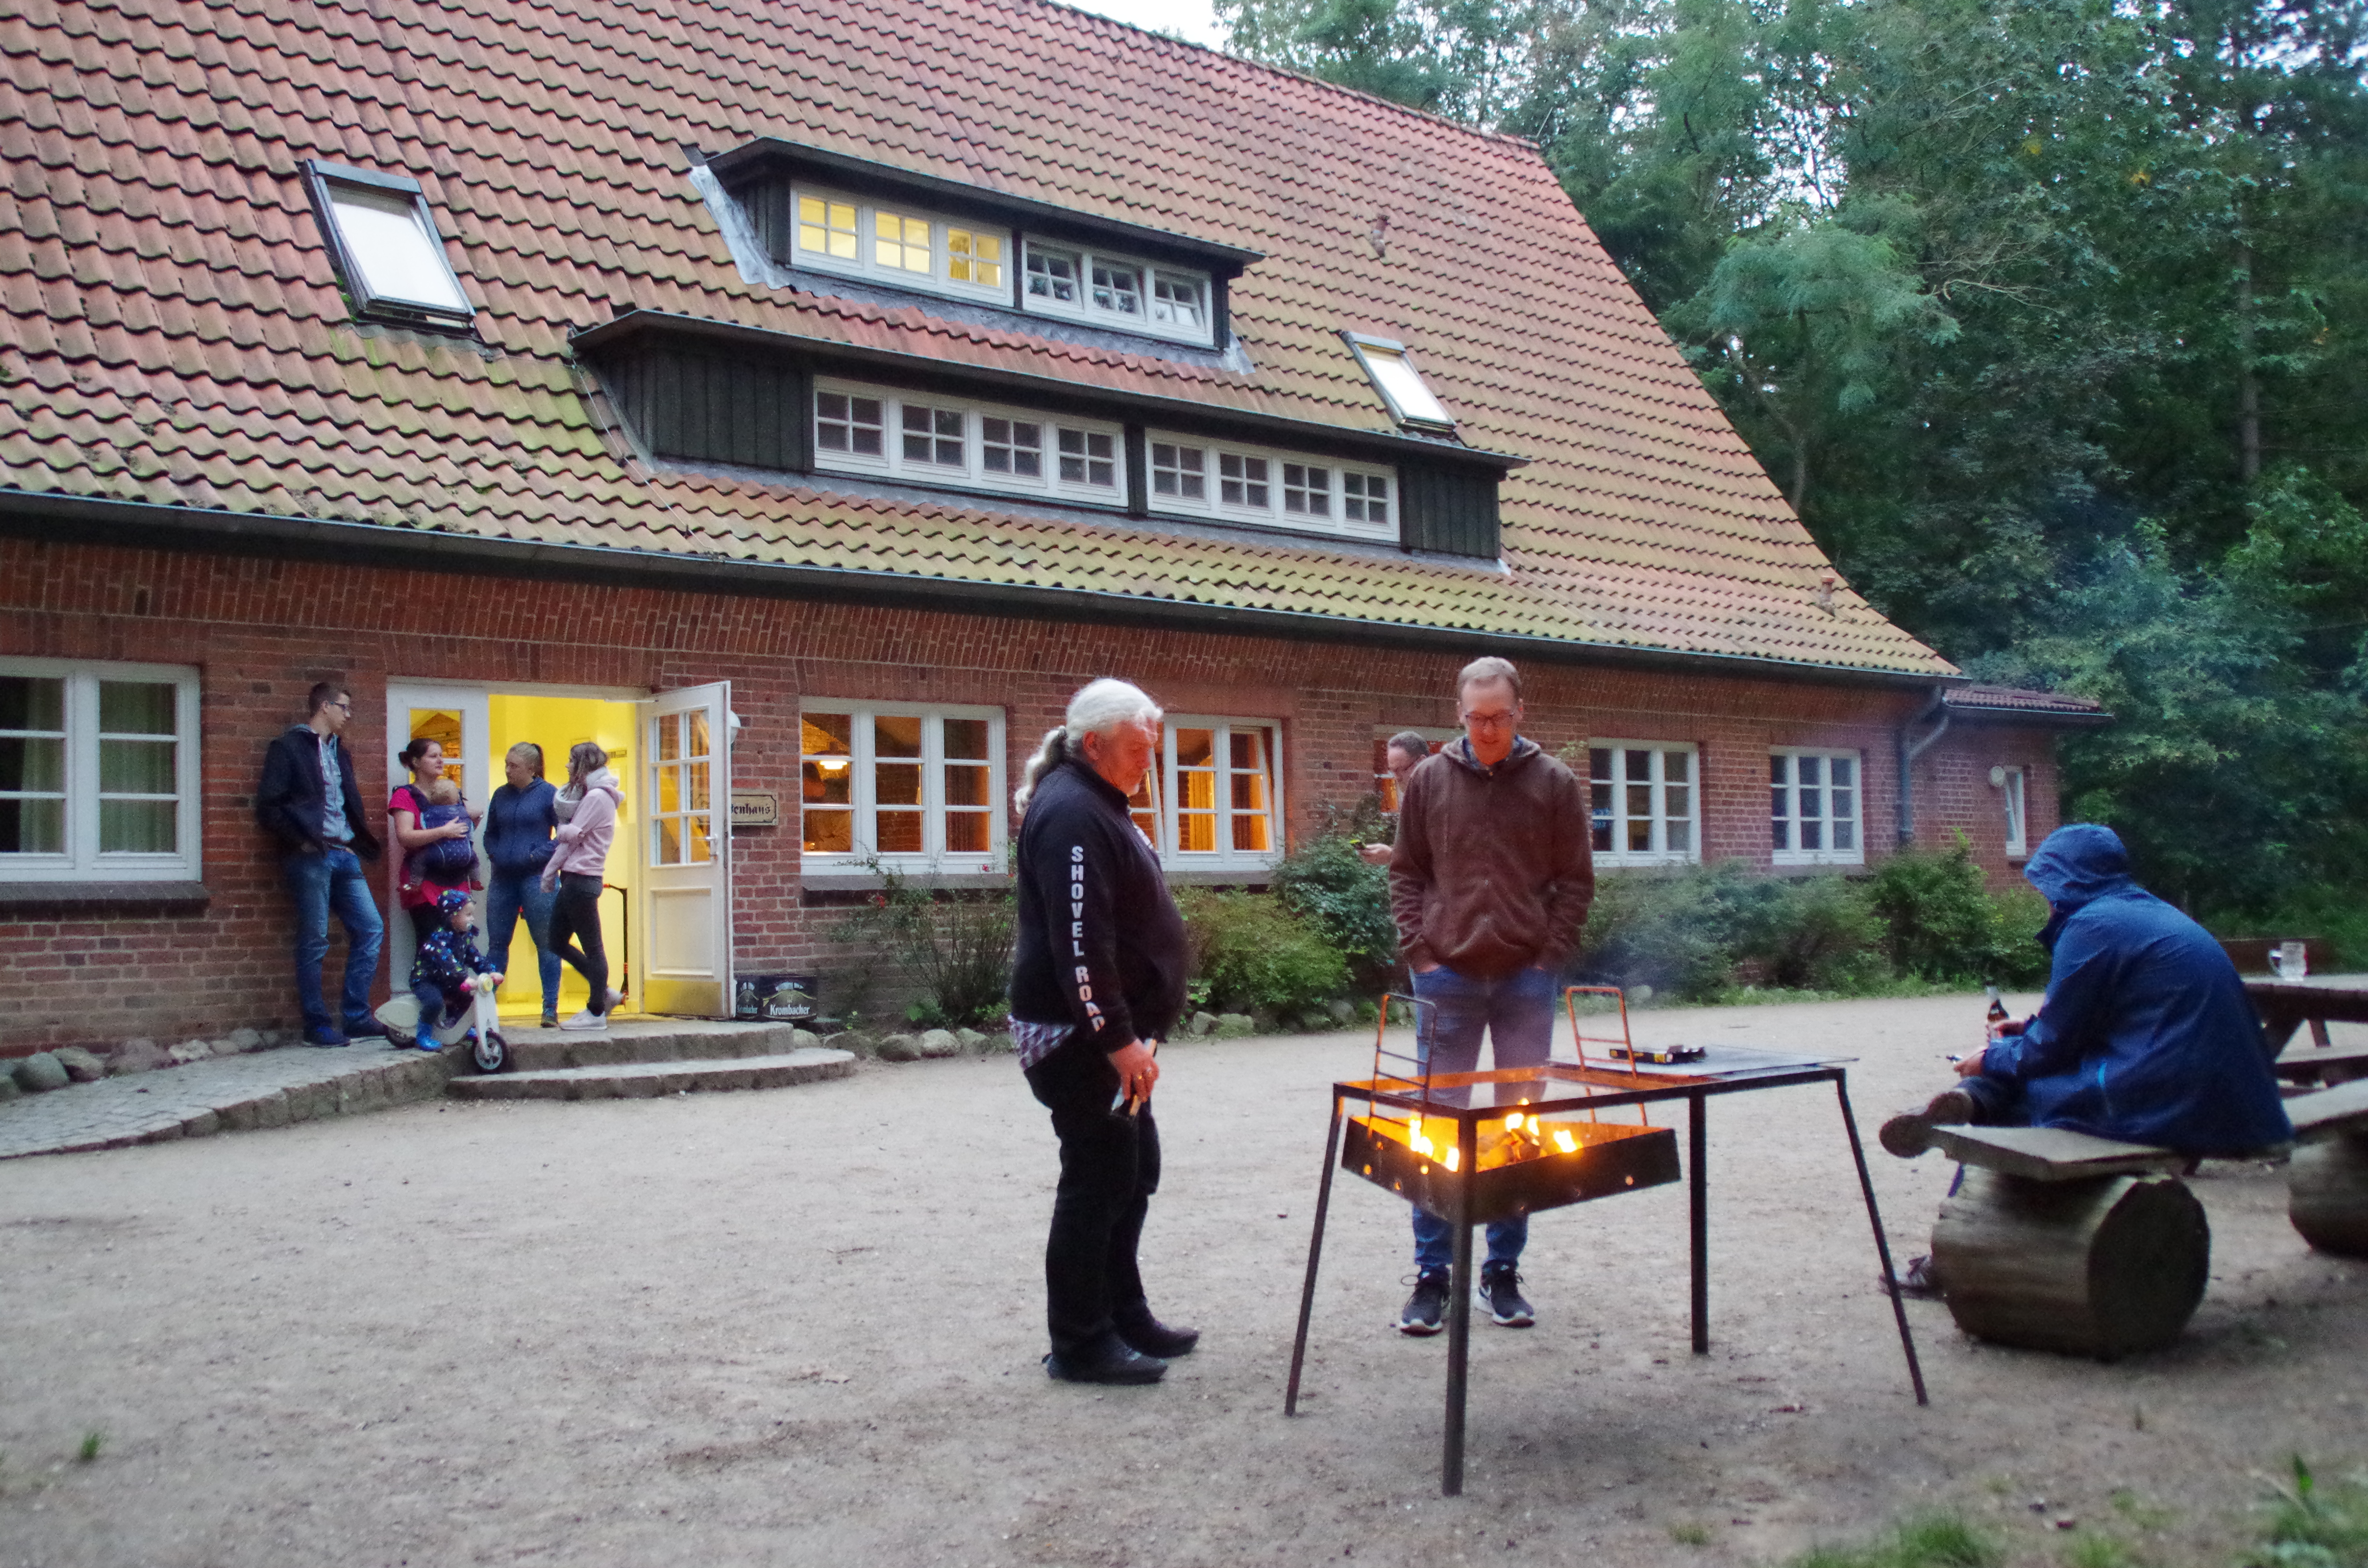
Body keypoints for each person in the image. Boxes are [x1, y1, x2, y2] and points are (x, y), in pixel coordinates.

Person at [1387, 656, 1594, 1335]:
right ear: (1459, 715)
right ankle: (1431, 1275)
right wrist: (1419, 953)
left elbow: (1575, 880)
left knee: (1519, 1127)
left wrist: (1547, 959)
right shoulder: (1428, 781)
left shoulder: (1554, 783)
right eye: (1477, 720)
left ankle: (1501, 1272)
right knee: (1436, 1127)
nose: (1489, 731)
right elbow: (1406, 873)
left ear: (1521, 712)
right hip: (1445, 976)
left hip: (1523, 981)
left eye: (1500, 718)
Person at [1880, 823, 2293, 1160]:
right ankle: (1972, 1100)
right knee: (2021, 1070)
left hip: (2173, 1104)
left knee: (2015, 1094)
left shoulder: (2091, 926)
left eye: (2045, 886)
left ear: (2064, 879)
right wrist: (2028, 1028)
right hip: (2234, 1101)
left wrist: (1989, 1057)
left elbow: (2050, 1049)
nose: (2044, 899)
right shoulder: (2145, 911)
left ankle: (1966, 1242)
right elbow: (2092, 1020)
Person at [1009, 678, 1196, 1385]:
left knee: (1133, 1171)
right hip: (1076, 1040)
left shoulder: (1096, 802)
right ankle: (1081, 1343)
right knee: (1097, 1180)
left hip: (1110, 1037)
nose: (1149, 762)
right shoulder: (1072, 814)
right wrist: (1118, 1041)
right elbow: (1079, 944)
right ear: (1094, 745)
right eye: (1138, 750)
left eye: (1152, 748)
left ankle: (1124, 1313)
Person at [255, 680, 388, 1048]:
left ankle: (357, 1018)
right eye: (344, 707)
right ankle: (316, 1026)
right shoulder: (288, 748)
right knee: (315, 939)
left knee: (371, 929)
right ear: (324, 707)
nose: (348, 715)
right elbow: (269, 806)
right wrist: (301, 840)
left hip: (344, 855)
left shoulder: (339, 752)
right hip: (310, 855)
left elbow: (346, 803)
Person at [541, 742, 624, 1032]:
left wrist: (548, 874)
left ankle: (596, 1011)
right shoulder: (596, 795)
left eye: (570, 761)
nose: (567, 766)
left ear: (583, 765)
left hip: (582, 880)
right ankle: (605, 993)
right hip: (577, 879)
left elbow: (570, 837)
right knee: (555, 941)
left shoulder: (597, 797)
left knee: (593, 948)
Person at [484, 742, 564, 1029]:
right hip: (503, 878)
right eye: (506, 764)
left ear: (531, 768)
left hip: (538, 878)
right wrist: (496, 853)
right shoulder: (500, 795)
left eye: (513, 766)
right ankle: (484, 1009)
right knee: (497, 944)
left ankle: (550, 1007)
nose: (507, 770)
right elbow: (490, 833)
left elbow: (563, 835)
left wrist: (538, 855)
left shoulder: (549, 795)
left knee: (547, 943)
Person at [388, 736, 478, 952]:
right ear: (416, 762)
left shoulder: (450, 793)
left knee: (459, 946)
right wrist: (444, 832)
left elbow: (474, 814)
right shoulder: (405, 795)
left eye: (441, 756)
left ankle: (458, 987)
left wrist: (470, 823)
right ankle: (427, 987)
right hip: (424, 880)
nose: (441, 761)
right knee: (430, 946)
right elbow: (405, 837)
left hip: (456, 879)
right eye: (433, 756)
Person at [409, 887, 502, 1051]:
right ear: (452, 916)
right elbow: (449, 964)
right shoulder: (439, 940)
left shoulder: (463, 938)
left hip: (447, 981)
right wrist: (464, 979)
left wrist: (489, 971)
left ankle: (456, 1025)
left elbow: (475, 957)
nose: (472, 919)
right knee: (434, 1002)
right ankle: (423, 1035)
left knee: (468, 997)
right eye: (468, 915)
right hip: (426, 980)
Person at [1359, 730, 1435, 867]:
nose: (1397, 777)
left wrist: (1392, 856)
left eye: (1401, 769)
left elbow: (1441, 857)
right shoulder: (1414, 800)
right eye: (1392, 771)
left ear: (1422, 762)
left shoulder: (1442, 799)